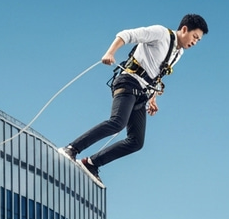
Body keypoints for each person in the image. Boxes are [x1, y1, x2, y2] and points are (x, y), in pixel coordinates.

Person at [58, 13, 209, 186]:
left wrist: (152, 98)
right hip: (128, 82)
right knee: (117, 122)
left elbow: (156, 73)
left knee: (136, 142)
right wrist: (110, 53)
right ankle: (71, 149)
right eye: (194, 37)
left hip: (142, 94)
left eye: (198, 40)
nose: (195, 42)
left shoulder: (178, 52)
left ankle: (91, 164)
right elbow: (126, 34)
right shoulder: (160, 33)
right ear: (184, 29)